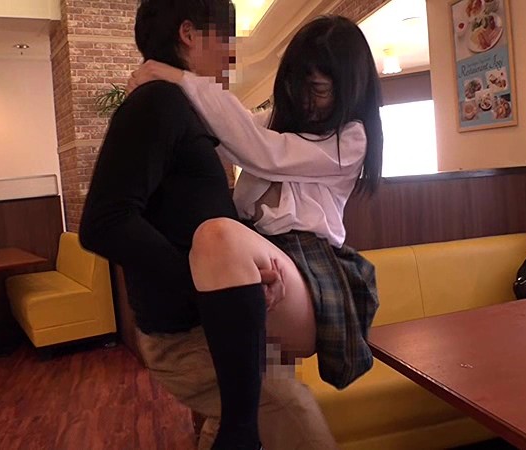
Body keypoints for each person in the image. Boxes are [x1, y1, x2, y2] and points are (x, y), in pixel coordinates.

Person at [80, 1, 340, 449]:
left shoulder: (181, 106)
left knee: (233, 424)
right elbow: (104, 222)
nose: (231, 56)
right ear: (189, 34)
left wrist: (239, 277)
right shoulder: (158, 102)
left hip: (208, 324)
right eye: (226, 40)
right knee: (293, 416)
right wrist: (203, 286)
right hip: (186, 334)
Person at [127, 12, 383, 450]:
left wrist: (178, 77)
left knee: (219, 236)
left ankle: (238, 430)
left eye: (319, 90)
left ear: (350, 89)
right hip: (261, 249)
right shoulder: (275, 122)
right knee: (251, 386)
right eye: (296, 87)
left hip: (311, 260)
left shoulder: (351, 139)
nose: (305, 101)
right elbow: (233, 131)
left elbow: (263, 152)